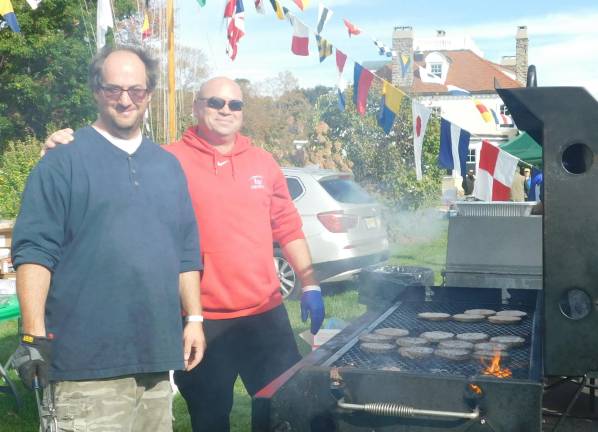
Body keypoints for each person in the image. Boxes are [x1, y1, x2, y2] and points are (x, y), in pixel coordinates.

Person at [44, 76, 325, 432]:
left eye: (234, 104)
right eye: (215, 102)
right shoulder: (165, 160)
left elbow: (288, 226)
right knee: (209, 419)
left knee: (284, 412)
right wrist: (64, 150)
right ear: (196, 108)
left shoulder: (262, 162)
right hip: (198, 320)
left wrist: (310, 283)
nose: (226, 110)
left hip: (264, 314)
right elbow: (108, 172)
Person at [12, 46, 206, 431]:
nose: (125, 99)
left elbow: (185, 251)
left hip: (155, 362)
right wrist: (33, 336)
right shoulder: (62, 161)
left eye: (136, 90)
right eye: (113, 89)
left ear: (149, 94)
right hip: (83, 368)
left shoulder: (168, 167)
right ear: (96, 91)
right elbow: (35, 251)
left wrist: (195, 318)